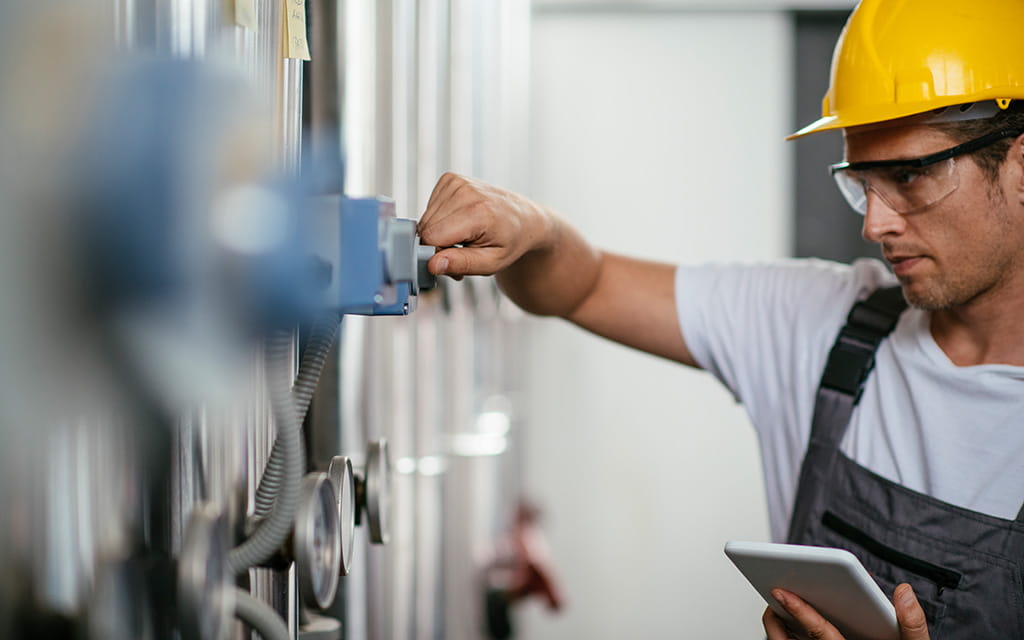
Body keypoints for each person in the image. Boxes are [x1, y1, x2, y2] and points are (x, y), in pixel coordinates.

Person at [418, 1, 1024, 638]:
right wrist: (528, 224)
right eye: (863, 183)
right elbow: (584, 284)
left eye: (909, 175)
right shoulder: (824, 325)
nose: (874, 225)